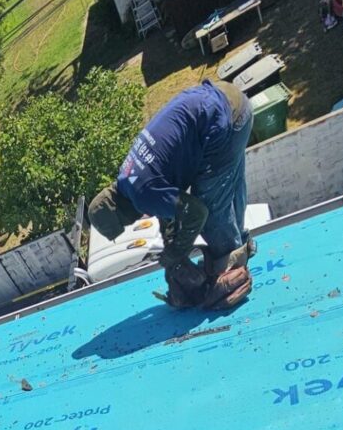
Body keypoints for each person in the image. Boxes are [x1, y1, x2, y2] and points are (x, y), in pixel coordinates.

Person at [88, 78, 256, 310]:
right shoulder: (127, 178)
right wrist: (171, 248)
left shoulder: (141, 194)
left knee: (211, 209)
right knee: (226, 187)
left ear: (120, 213)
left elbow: (196, 213)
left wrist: (176, 253)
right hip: (226, 99)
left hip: (224, 120)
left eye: (124, 223)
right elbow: (167, 210)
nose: (131, 222)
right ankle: (240, 246)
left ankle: (232, 269)